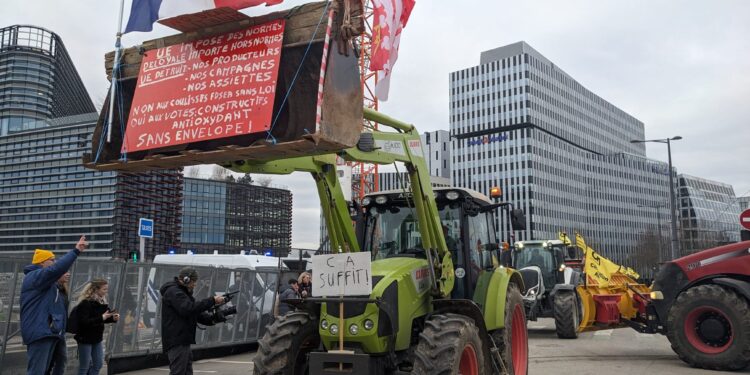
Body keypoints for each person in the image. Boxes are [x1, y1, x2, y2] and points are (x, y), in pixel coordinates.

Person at [20, 235, 87, 375]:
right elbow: (55, 270)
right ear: (42, 263)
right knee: (37, 371)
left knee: (49, 368)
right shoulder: (35, 276)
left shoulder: (48, 282)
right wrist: (75, 251)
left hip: (50, 332)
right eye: (52, 260)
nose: (54, 262)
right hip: (40, 332)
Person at [160, 267, 226, 375]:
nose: (195, 284)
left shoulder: (182, 292)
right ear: (186, 279)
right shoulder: (174, 292)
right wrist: (212, 300)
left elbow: (195, 313)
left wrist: (213, 319)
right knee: (178, 372)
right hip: (177, 341)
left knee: (187, 372)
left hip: (183, 340)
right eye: (194, 281)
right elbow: (188, 309)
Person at [74, 278, 119, 375]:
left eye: (107, 289)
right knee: (84, 366)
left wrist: (112, 318)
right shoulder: (85, 303)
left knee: (98, 364)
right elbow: (84, 322)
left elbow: (103, 318)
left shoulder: (102, 302)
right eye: (104, 289)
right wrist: (102, 318)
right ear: (96, 289)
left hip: (97, 338)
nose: (106, 292)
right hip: (85, 338)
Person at [47, 271, 71, 375]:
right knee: (48, 362)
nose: (68, 274)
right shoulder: (51, 289)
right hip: (50, 330)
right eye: (64, 272)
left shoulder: (63, 290)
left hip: (60, 332)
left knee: (62, 360)